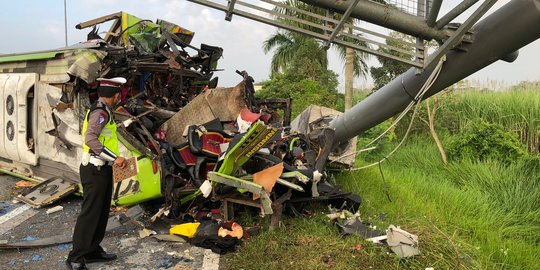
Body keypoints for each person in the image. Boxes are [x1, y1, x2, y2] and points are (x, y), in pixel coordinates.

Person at [66, 77, 127, 270]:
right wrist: (115, 158)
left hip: (102, 168)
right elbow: (90, 139)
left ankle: (92, 250)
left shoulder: (103, 110)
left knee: (101, 212)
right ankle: (76, 258)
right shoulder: (100, 112)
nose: (119, 97)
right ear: (115, 95)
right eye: (119, 94)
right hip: (95, 169)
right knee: (90, 213)